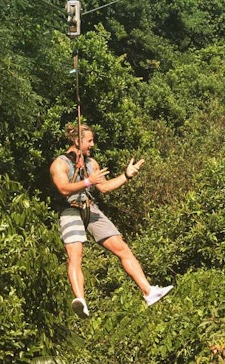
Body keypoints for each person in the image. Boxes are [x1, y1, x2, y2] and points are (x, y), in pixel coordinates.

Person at [51, 122, 173, 318]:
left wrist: (126, 175)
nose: (92, 145)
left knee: (121, 247)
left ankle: (148, 291)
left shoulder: (92, 164)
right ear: (77, 141)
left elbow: (104, 188)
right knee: (75, 256)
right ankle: (80, 300)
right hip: (70, 209)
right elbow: (64, 188)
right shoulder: (60, 163)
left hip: (90, 208)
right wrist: (88, 181)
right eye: (89, 141)